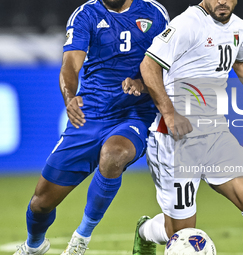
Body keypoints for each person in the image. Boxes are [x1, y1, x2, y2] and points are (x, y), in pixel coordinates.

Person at [129, 0, 243, 254]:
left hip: (215, 133)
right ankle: (146, 231)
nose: (222, 1)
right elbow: (149, 65)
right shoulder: (187, 25)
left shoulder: (239, 26)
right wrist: (169, 114)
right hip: (175, 138)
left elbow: (241, 61)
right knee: (181, 234)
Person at [13, 0, 169, 254]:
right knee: (41, 203)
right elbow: (70, 65)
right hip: (90, 115)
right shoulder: (86, 14)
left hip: (135, 113)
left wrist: (143, 82)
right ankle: (34, 245)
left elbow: (169, 61)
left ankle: (81, 238)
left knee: (114, 153)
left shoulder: (155, 12)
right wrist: (69, 98)